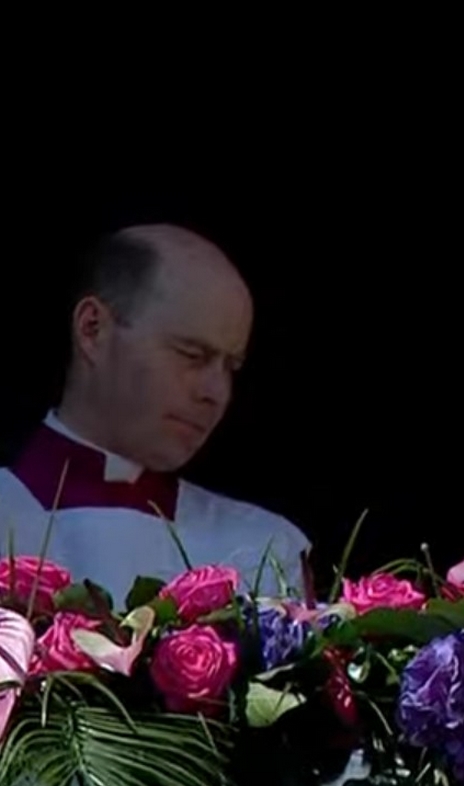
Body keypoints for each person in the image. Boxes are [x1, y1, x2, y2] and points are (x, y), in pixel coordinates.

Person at [0, 224, 309, 602]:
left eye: (231, 367)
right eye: (192, 355)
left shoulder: (260, 550)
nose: (217, 392)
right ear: (92, 329)